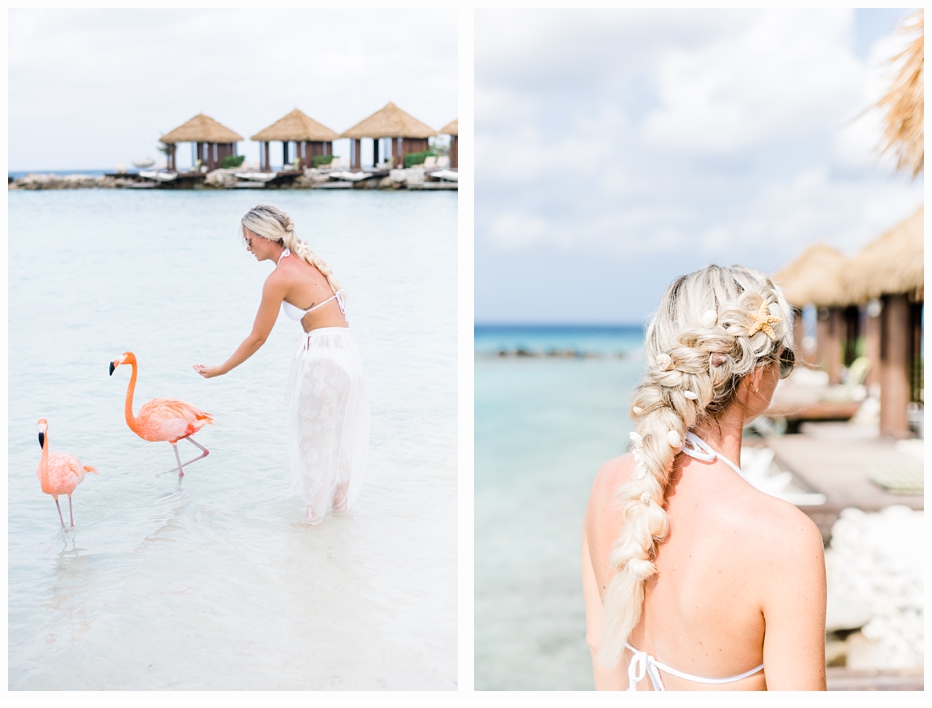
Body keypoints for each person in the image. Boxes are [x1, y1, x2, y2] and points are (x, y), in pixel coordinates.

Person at [582, 264, 826, 691]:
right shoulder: (785, 540)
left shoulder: (608, 485)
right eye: (782, 361)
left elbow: (600, 652)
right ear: (755, 376)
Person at [194, 204, 369, 525]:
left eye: (249, 241)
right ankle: (340, 521)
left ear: (266, 237)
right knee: (340, 441)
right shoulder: (306, 262)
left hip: (324, 360)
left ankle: (312, 526)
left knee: (313, 445)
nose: (247, 248)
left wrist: (220, 370)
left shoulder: (280, 277)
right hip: (347, 354)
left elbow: (257, 338)